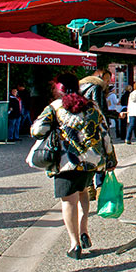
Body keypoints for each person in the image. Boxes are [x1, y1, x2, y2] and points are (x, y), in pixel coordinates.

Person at [31, 73, 117, 260]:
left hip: (66, 162)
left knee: (68, 201)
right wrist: (111, 159)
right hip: (90, 161)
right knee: (83, 192)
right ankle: (84, 230)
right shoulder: (92, 106)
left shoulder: (55, 107)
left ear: (59, 88)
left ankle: (74, 243)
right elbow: (104, 133)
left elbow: (37, 130)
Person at [79, 68, 109, 199]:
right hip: (95, 128)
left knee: (87, 157)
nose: (108, 83)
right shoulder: (96, 88)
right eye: (107, 80)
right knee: (99, 157)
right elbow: (99, 110)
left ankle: (88, 187)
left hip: (81, 127)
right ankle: (100, 188)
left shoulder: (79, 88)